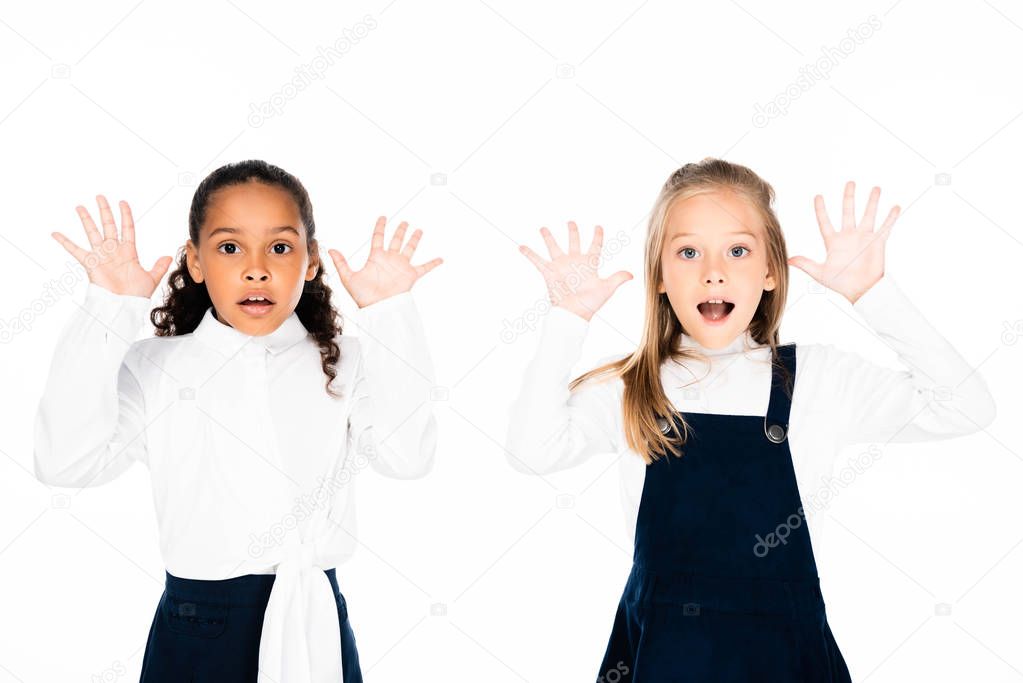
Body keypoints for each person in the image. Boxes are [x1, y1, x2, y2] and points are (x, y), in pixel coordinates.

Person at [507, 158, 996, 681]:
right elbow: (531, 451)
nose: (713, 271)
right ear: (661, 276)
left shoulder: (817, 378)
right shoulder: (633, 386)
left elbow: (966, 407)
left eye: (737, 250)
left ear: (770, 271)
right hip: (661, 659)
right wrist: (566, 319)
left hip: (785, 661)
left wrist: (873, 293)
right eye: (688, 252)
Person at [35, 159, 442, 682]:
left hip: (312, 622)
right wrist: (109, 307)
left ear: (311, 261)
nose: (257, 269)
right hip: (198, 629)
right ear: (196, 261)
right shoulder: (153, 366)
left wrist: (391, 316)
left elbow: (407, 458)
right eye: (230, 247)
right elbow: (64, 463)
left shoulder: (348, 360)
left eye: (280, 247)